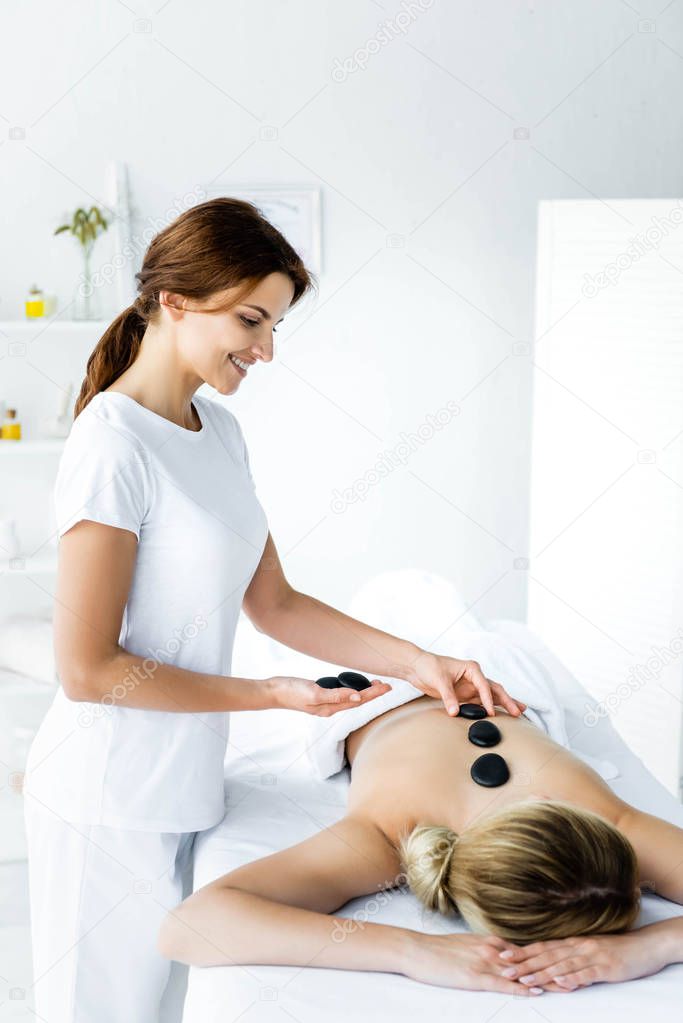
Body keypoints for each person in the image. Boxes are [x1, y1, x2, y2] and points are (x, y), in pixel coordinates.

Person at [22, 197, 525, 1023]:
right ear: (175, 300)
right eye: (251, 321)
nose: (266, 350)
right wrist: (269, 695)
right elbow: (87, 669)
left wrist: (422, 662)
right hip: (105, 797)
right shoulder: (111, 443)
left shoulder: (217, 432)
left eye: (275, 326)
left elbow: (276, 604)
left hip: (186, 788)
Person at [158, 690, 683, 997]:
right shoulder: (388, 832)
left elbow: (193, 924)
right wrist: (411, 950)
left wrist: (651, 946)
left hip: (470, 679)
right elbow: (188, 929)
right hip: (384, 686)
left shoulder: (601, 822)